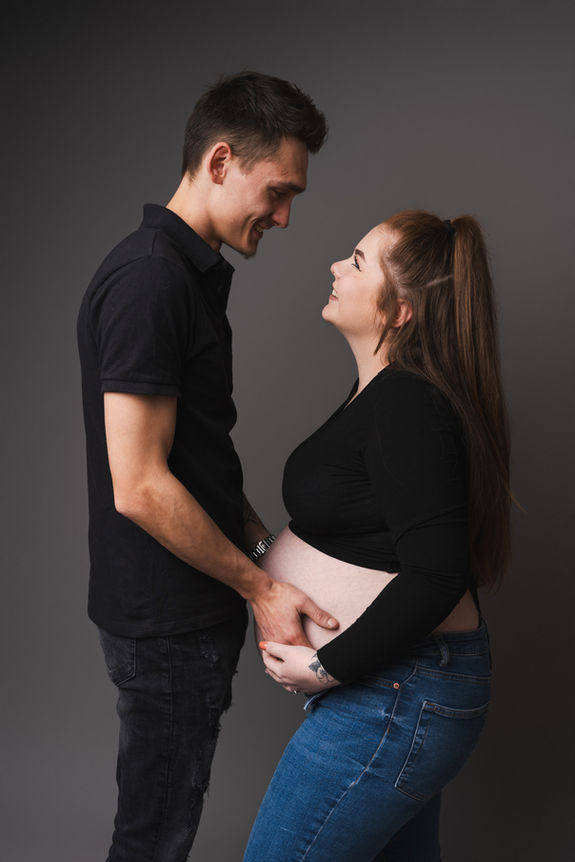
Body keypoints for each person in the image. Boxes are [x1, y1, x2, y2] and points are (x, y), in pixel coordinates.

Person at [76, 71, 336, 862]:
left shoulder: (182, 275)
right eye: (277, 192)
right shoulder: (151, 279)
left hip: (185, 613)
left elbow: (199, 465)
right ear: (220, 161)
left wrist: (268, 556)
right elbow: (140, 486)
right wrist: (260, 588)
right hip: (168, 622)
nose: (284, 218)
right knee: (153, 842)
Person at [244, 210, 511, 861]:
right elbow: (351, 535)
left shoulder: (406, 404)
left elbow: (436, 576)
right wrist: (264, 562)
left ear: (399, 311)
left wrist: (324, 667)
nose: (336, 267)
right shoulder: (380, 395)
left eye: (358, 262)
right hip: (395, 690)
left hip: (395, 693)